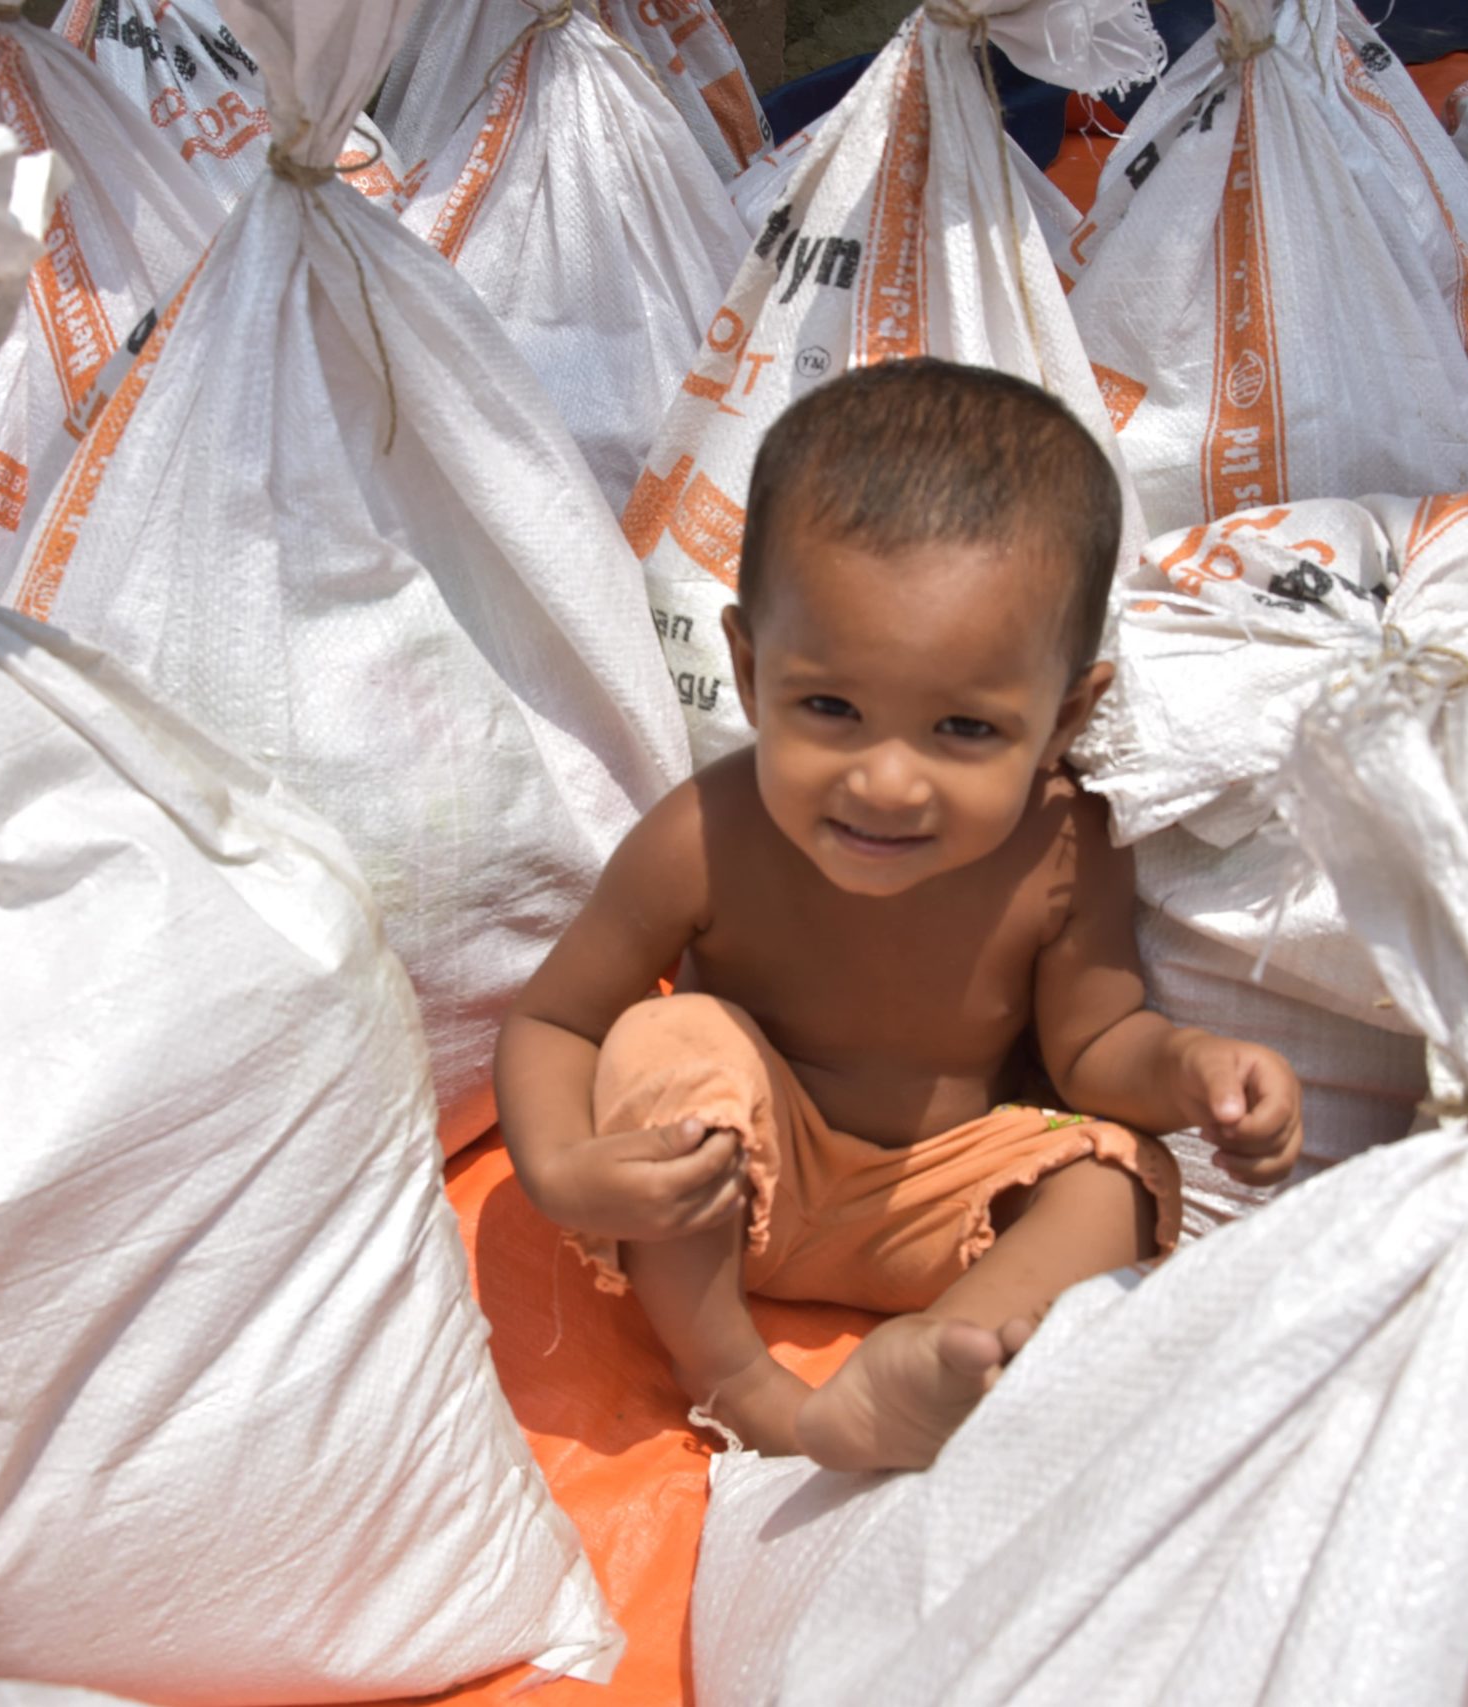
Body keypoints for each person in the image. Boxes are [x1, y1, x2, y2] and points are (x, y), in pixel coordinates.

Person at [496, 358, 1304, 1472]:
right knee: (670, 1037)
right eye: (829, 709)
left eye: (963, 731)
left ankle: (939, 1363)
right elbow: (557, 1024)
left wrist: (1199, 1071)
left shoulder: (1065, 848)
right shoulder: (705, 835)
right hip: (730, 1193)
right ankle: (739, 1382)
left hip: (947, 1200)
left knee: (1114, 1174)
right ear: (745, 667)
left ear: (1064, 718)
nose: (884, 783)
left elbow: (1093, 1050)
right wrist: (561, 1170)